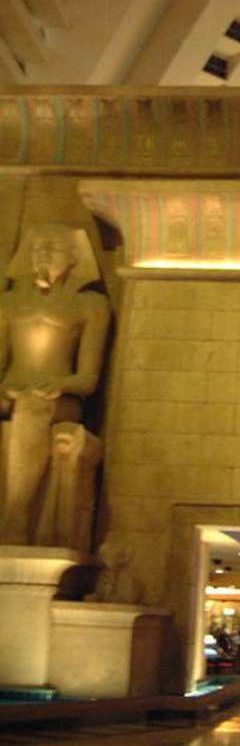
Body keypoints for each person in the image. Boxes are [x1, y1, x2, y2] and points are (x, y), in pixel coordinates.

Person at [0, 225, 110, 544]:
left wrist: (59, 384)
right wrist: (6, 390)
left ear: (74, 257)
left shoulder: (90, 305)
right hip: (10, 393)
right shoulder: (8, 303)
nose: (44, 255)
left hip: (59, 399)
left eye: (53, 248)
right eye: (38, 248)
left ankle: (16, 516)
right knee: (25, 402)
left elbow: (87, 379)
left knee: (32, 406)